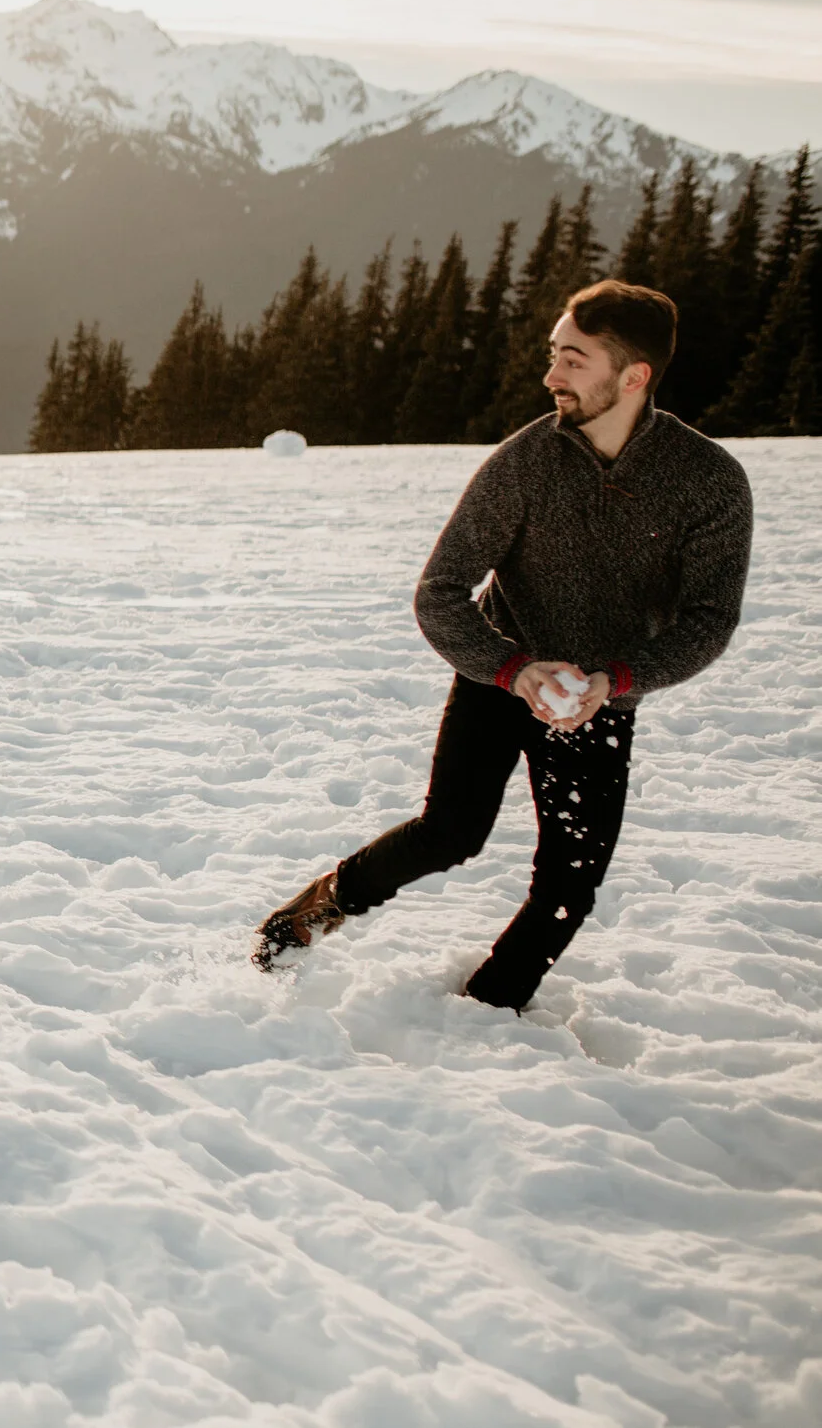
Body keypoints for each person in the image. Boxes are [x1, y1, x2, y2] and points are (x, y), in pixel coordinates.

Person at [253, 280, 753, 1011]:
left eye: (573, 360)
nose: (551, 375)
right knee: (449, 832)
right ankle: (298, 921)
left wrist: (615, 680)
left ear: (634, 375)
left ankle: (489, 1010)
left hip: (599, 696)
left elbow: (710, 618)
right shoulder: (525, 463)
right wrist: (512, 668)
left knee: (571, 880)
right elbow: (441, 589)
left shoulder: (709, 482)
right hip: (500, 672)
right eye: (554, 354)